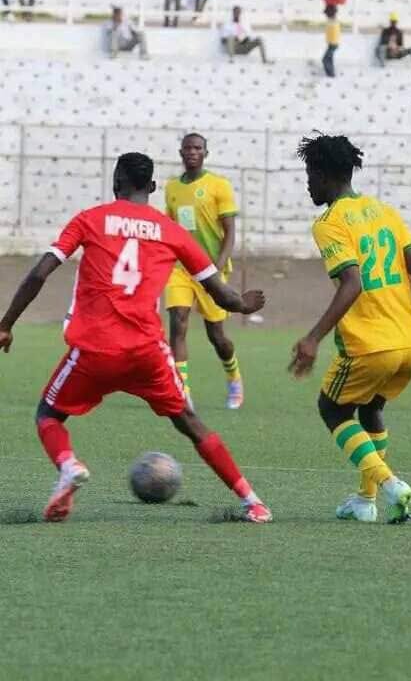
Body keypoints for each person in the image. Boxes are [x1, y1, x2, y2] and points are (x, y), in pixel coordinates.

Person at [0, 153, 272, 524]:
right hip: (146, 352)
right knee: (190, 422)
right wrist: (243, 304)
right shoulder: (171, 231)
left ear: (116, 183)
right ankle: (253, 502)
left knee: (48, 415)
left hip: (94, 350)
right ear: (154, 187)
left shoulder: (90, 219)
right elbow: (221, 294)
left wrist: (6, 324)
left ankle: (68, 466)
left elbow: (38, 274)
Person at [289, 134, 411, 523]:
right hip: (407, 341)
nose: (307, 184)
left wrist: (313, 338)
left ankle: (390, 485)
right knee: (371, 408)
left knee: (332, 409)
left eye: (309, 175)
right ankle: (365, 502)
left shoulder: (329, 223)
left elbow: (352, 282)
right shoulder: (385, 212)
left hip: (369, 344)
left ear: (324, 175)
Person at [165, 133, 245, 410]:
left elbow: (230, 232)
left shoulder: (219, 186)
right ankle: (183, 391)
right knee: (178, 323)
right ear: (181, 152)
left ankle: (234, 377)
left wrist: (217, 269)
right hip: (180, 269)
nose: (192, 152)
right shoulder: (172, 187)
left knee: (217, 337)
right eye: (188, 148)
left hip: (211, 269)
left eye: (198, 148)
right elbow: (171, 228)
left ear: (205, 153)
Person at [322, 3, 340, 78]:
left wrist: (332, 6)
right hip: (332, 43)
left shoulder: (333, 21)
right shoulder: (332, 20)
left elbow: (332, 13)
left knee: (325, 59)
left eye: (327, 14)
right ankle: (331, 73)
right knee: (329, 59)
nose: (326, 16)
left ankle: (331, 74)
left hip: (333, 44)